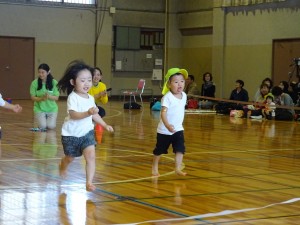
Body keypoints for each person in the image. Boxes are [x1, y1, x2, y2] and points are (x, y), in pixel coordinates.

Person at [57, 60, 114, 192]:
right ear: (73, 82)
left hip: (87, 133)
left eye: (89, 79)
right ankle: (63, 165)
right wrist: (88, 112)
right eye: (82, 80)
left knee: (91, 156)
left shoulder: (90, 98)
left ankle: (89, 182)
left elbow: (94, 115)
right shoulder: (73, 97)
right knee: (70, 157)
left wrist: (105, 125)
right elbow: (74, 115)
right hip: (71, 135)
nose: (87, 83)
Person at [152, 68, 188, 177]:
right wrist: (167, 125)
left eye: (182, 81)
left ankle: (177, 168)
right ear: (169, 84)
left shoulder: (184, 95)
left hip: (178, 129)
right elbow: (163, 113)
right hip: (164, 131)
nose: (179, 84)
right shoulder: (167, 98)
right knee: (160, 150)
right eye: (176, 82)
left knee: (180, 149)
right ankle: (154, 166)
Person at [30, 63, 59, 130]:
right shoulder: (34, 83)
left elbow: (56, 97)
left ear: (48, 72)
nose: (40, 74)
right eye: (39, 72)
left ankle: (47, 120)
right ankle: (42, 120)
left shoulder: (54, 82)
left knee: (51, 126)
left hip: (52, 109)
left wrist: (48, 96)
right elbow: (33, 97)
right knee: (42, 126)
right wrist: (41, 99)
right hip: (39, 109)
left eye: (43, 72)